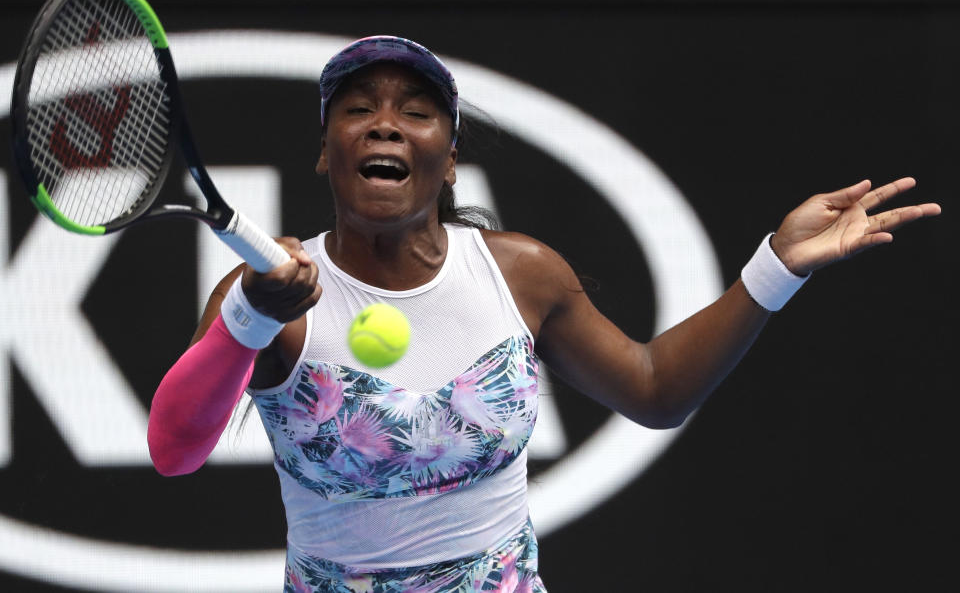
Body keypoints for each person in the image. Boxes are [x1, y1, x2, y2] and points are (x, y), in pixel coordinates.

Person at [147, 36, 941, 592]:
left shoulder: (520, 274)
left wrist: (777, 265)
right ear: (328, 149)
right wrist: (248, 318)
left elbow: (656, 387)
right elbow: (174, 450)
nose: (385, 121)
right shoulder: (265, 299)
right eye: (358, 108)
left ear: (450, 157)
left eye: (416, 110)